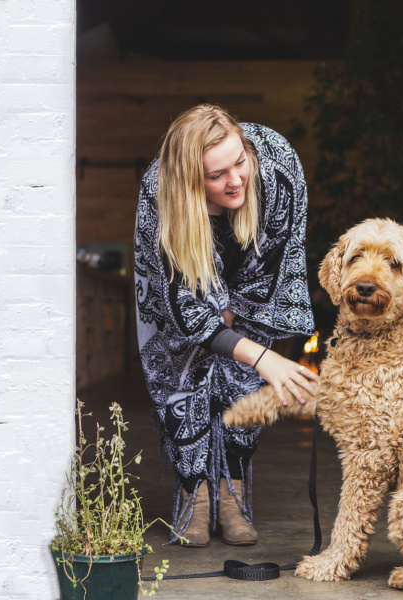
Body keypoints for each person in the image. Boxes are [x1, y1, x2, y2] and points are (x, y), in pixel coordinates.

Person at [134, 104, 319, 548]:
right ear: (190, 181)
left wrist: (239, 323)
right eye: (216, 175)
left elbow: (277, 263)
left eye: (240, 162)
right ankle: (194, 493)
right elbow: (183, 310)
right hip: (184, 286)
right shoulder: (161, 196)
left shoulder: (277, 169)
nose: (236, 180)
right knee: (183, 368)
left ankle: (231, 493)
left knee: (242, 380)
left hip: (252, 280)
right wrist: (260, 355)